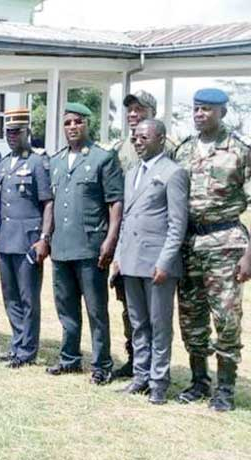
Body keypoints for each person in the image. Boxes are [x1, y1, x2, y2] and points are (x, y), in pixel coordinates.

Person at [174, 88, 250, 411]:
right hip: (190, 244)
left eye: (206, 109)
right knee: (191, 317)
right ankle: (199, 381)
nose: (199, 114)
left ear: (222, 112)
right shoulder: (184, 151)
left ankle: (226, 390)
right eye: (196, 109)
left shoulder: (239, 152)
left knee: (227, 318)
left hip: (226, 244)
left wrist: (250, 255)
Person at [46, 102, 124, 385]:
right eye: (67, 123)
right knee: (66, 307)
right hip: (62, 247)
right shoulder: (55, 161)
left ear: (87, 124)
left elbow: (116, 202)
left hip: (92, 247)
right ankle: (69, 358)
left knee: (95, 309)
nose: (72, 127)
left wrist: (110, 240)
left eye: (77, 121)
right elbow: (52, 205)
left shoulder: (103, 159)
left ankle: (102, 364)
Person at [113, 119, 188, 405]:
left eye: (144, 137)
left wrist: (165, 262)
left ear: (160, 139)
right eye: (135, 137)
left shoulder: (173, 172)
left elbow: (177, 224)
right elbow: (126, 219)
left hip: (157, 264)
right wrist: (119, 256)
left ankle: (159, 383)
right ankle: (140, 377)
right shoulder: (132, 172)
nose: (137, 141)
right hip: (131, 261)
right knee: (138, 324)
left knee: (159, 325)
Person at [108, 89, 179, 379]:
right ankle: (135, 359)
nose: (133, 114)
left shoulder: (169, 147)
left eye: (139, 109)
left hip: (157, 242)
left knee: (157, 314)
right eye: (130, 110)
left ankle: (156, 371)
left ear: (152, 112)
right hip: (129, 240)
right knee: (131, 308)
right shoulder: (119, 147)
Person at [0, 108, 52, 368]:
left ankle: (28, 351)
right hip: (6, 239)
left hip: (28, 241)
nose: (12, 137)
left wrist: (44, 238)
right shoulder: (4, 163)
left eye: (17, 132)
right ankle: (17, 344)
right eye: (8, 132)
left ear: (28, 132)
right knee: (10, 296)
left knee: (29, 298)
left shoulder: (38, 162)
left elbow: (47, 202)